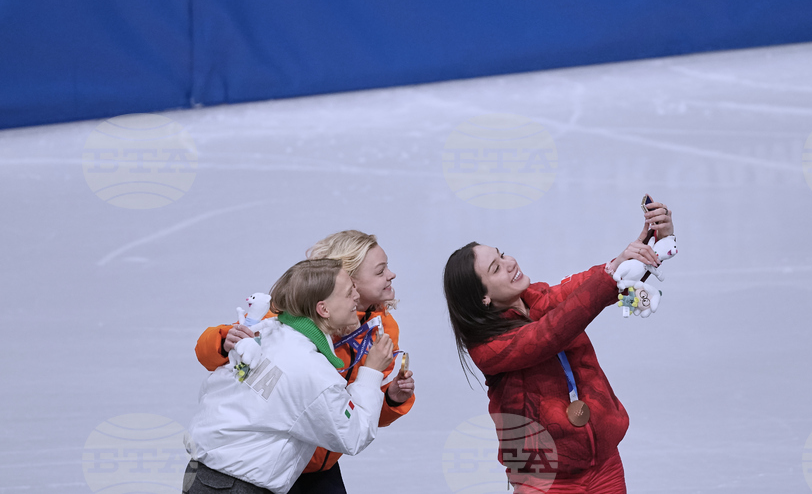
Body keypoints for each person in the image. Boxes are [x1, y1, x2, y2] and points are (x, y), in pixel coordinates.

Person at [443, 201, 673, 494]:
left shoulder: (541, 298)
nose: (510, 262)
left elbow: (589, 287)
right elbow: (550, 333)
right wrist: (610, 275)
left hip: (604, 466)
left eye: (502, 254)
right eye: (496, 268)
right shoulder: (488, 347)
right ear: (483, 298)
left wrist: (652, 243)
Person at [194, 231, 415, 494]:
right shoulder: (289, 326)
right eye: (380, 271)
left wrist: (390, 399)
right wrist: (224, 341)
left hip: (291, 461)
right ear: (348, 280)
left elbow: (355, 410)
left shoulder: (380, 329)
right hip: (263, 466)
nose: (391, 275)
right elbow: (353, 429)